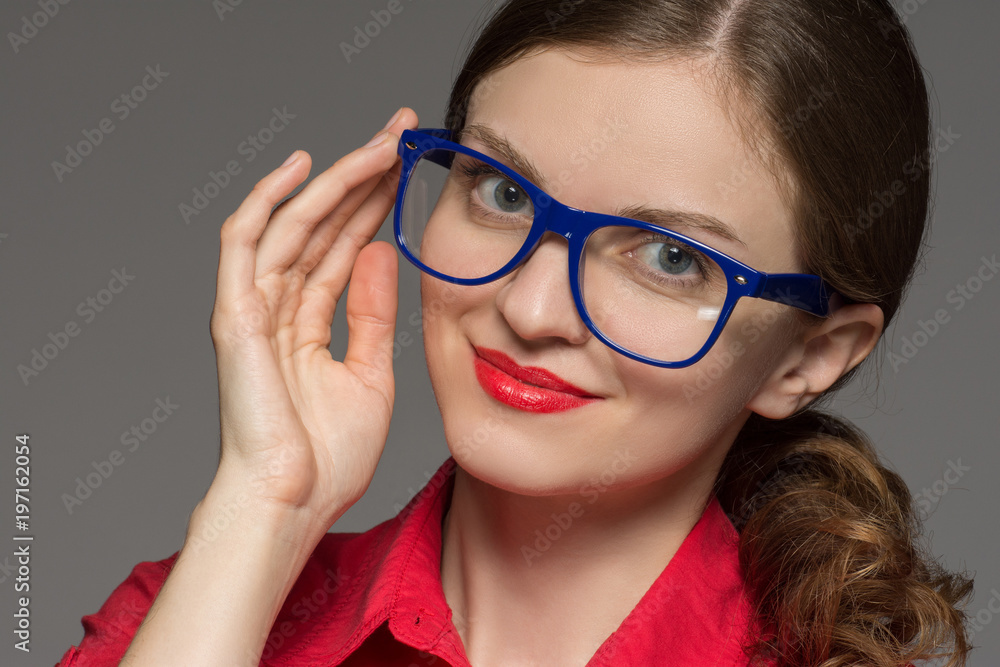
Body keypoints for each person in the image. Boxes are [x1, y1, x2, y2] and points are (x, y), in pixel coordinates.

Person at [56, 0, 974, 665]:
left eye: (666, 257)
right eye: (501, 192)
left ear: (812, 356)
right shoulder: (188, 621)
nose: (531, 309)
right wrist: (263, 504)